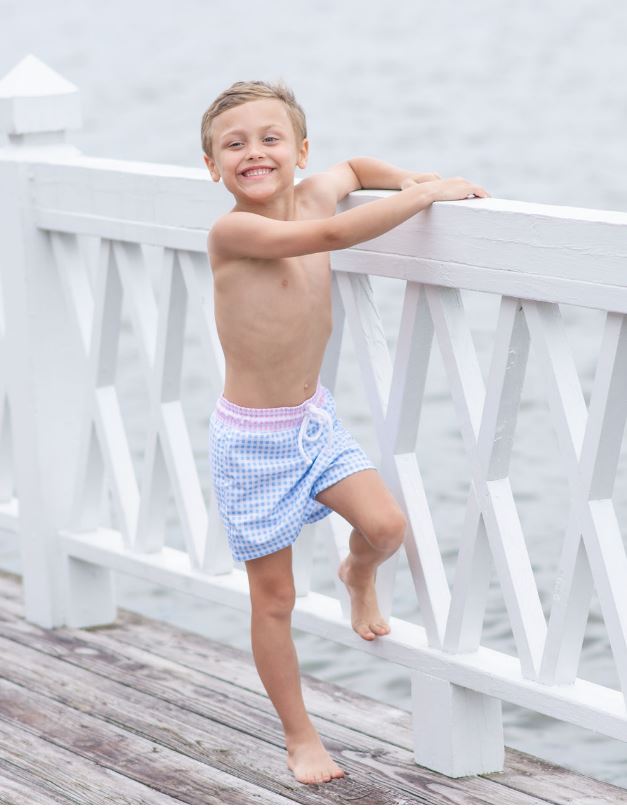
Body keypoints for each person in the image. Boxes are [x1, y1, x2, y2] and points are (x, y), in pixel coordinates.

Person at [201, 80, 489, 785]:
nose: (253, 152)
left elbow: (355, 169)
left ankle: (357, 571)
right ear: (212, 167)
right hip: (253, 444)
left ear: (300, 150)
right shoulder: (234, 231)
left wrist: (406, 176)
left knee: (386, 526)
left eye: (270, 138)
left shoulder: (316, 192)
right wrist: (426, 197)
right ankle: (299, 736)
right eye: (233, 145)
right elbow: (329, 236)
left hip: (313, 423)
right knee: (274, 599)